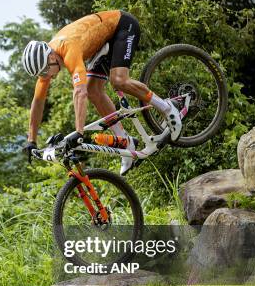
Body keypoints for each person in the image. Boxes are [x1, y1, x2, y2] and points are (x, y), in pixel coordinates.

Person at [21, 10, 181, 175]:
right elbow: (38, 102)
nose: (46, 77)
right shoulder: (47, 63)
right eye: (41, 74)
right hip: (100, 42)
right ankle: (125, 142)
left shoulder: (69, 50)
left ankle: (168, 108)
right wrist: (31, 140)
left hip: (122, 26)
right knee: (93, 90)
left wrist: (79, 131)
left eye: (45, 71)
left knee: (119, 81)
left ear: (51, 57)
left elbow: (79, 92)